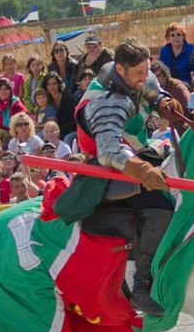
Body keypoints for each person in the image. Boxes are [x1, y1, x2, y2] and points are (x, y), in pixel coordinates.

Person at [56, 39, 180, 316]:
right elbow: (109, 151)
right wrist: (144, 172)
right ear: (120, 70)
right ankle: (142, 286)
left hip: (142, 152)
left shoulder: (136, 73)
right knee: (160, 205)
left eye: (146, 70)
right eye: (138, 73)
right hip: (108, 168)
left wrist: (162, 102)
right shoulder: (104, 101)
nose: (143, 77)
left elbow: (151, 89)